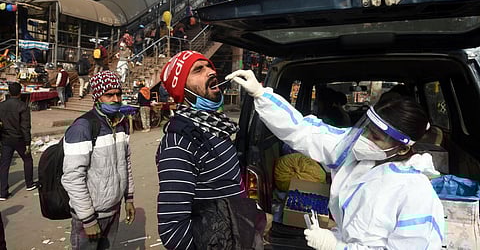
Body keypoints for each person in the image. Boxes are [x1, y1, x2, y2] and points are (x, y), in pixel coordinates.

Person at [226, 69, 444, 250]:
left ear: (402, 147)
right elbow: (303, 131)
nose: (364, 139)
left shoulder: (415, 190)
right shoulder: (353, 150)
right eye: (366, 129)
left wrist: (337, 246)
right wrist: (262, 95)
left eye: (375, 137)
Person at [156, 51, 269, 249]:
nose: (210, 71)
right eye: (198, 70)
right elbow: (172, 230)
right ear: (182, 89)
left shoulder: (216, 127)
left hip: (239, 234)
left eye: (209, 66)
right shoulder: (180, 142)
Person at [61, 70, 135, 250]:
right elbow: (72, 178)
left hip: (114, 211)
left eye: (118, 94)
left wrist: (129, 198)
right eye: (109, 95)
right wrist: (87, 219)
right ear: (97, 97)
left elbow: (126, 163)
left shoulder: (121, 123)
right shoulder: (83, 127)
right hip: (90, 216)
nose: (116, 99)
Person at [0, 82, 36, 200]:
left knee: (5, 165)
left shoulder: (2, 105)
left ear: (9, 92)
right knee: (27, 159)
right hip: (19, 139)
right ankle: (29, 183)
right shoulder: (23, 106)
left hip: (6, 138)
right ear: (20, 92)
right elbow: (25, 126)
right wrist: (27, 142)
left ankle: (3, 192)